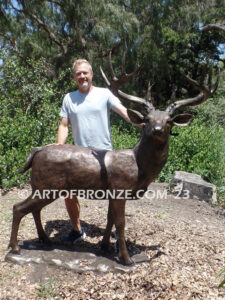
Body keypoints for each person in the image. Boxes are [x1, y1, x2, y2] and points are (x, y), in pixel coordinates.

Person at [57, 59, 139, 244]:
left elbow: (124, 112)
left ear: (91, 74)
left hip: (106, 155)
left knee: (115, 196)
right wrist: (59, 148)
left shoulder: (104, 94)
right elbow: (64, 126)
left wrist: (141, 123)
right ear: (74, 77)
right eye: (78, 73)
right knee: (68, 193)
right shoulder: (69, 98)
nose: (82, 76)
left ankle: (117, 234)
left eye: (85, 72)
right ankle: (77, 230)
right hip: (79, 157)